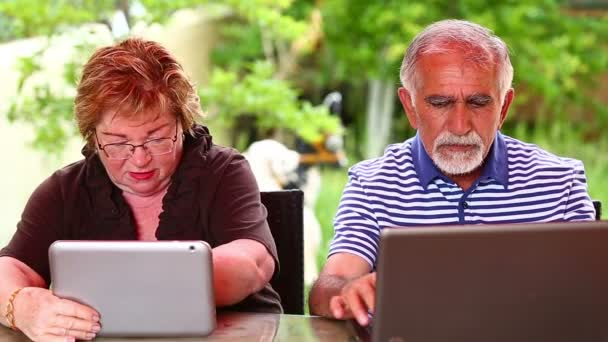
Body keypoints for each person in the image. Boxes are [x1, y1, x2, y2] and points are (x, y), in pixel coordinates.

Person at [308, 19, 596, 326]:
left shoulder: (559, 182)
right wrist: (349, 290)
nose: (460, 126)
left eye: (478, 102)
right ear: (410, 107)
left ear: (504, 107)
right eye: (440, 103)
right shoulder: (372, 184)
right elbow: (330, 285)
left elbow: (592, 298)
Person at [0, 38, 281, 341]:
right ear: (93, 136)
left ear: (182, 125)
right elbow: (10, 269)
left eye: (157, 138)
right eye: (118, 143)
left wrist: (161, 283)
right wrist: (23, 306)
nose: (140, 158)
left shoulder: (222, 171)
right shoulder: (64, 191)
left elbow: (253, 261)